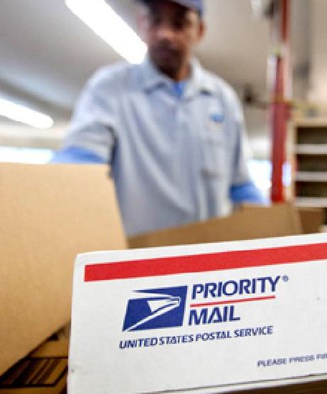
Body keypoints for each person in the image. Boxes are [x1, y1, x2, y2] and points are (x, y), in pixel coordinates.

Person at [51, 0, 266, 236]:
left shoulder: (223, 99)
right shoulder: (109, 89)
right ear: (142, 24)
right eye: (155, 21)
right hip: (137, 260)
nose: (164, 34)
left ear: (200, 31)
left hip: (207, 262)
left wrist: (271, 232)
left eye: (179, 23)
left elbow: (241, 185)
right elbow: (79, 163)